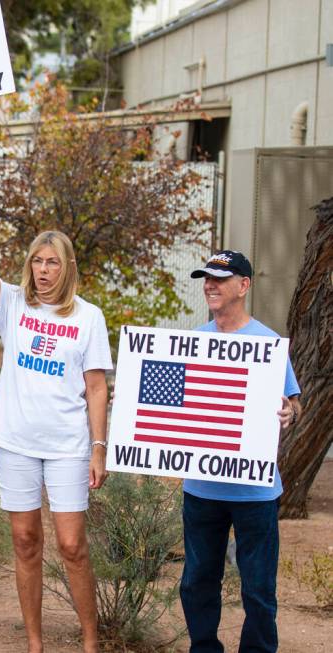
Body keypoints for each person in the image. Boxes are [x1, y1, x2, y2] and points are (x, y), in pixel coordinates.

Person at [0, 197, 111, 653]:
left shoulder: (88, 317)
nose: (44, 270)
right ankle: (35, 644)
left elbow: (96, 388)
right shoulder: (12, 304)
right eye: (37, 261)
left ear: (67, 267)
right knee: (25, 539)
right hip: (16, 443)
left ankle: (91, 642)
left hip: (68, 445)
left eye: (53, 262)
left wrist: (98, 447)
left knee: (72, 545)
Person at [180, 250, 300, 653]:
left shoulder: (267, 343)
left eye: (220, 278)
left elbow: (294, 402)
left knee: (259, 588)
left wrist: (289, 410)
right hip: (201, 490)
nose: (210, 284)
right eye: (206, 278)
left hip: (255, 492)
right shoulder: (193, 341)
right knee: (197, 581)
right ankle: (204, 647)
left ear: (244, 285)